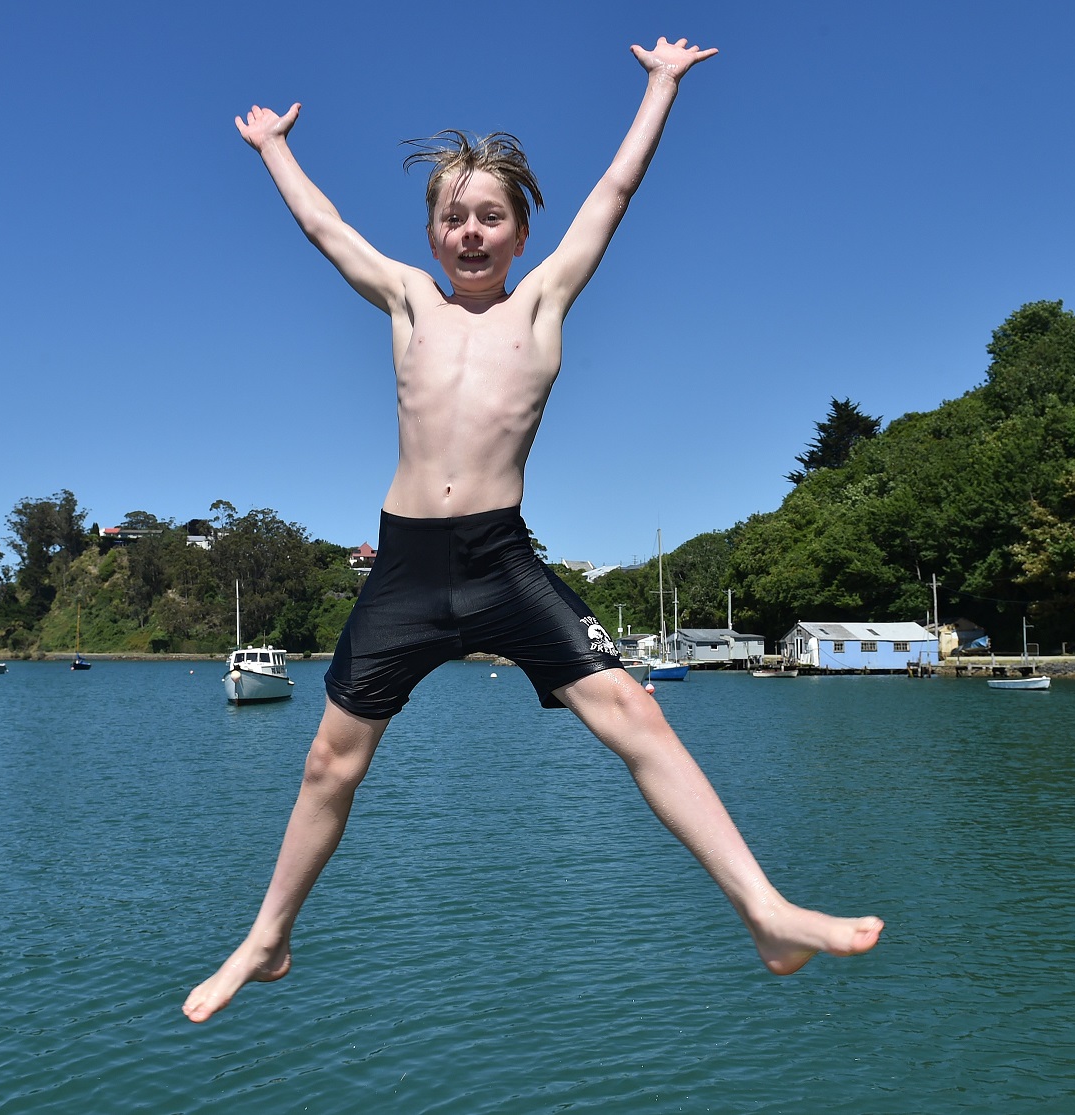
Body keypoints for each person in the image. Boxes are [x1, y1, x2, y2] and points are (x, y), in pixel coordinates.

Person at [186, 37, 882, 1024]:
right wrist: (274, 151)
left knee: (637, 715)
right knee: (329, 759)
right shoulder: (408, 300)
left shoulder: (546, 301)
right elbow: (323, 228)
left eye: (491, 218)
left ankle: (766, 911)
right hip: (407, 565)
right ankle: (268, 937)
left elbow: (617, 190)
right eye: (453, 217)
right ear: (430, 233)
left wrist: (660, 87)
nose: (471, 233)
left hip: (504, 558)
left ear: (520, 233)